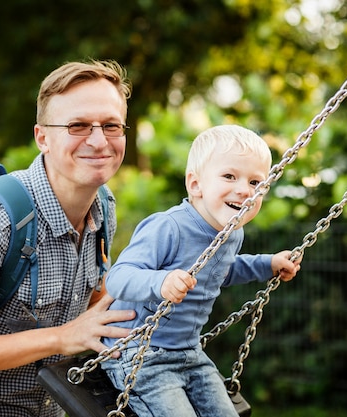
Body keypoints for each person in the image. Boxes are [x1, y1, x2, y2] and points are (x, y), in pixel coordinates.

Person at [0, 60, 136, 417]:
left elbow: (95, 296)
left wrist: (146, 293)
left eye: (111, 125)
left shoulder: (104, 204)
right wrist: (64, 337)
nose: (99, 141)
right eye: (78, 126)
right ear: (42, 137)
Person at [101, 124, 302, 417]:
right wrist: (161, 281)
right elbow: (118, 278)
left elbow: (223, 271)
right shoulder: (168, 227)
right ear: (195, 184)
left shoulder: (232, 233)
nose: (244, 190)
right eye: (229, 176)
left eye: (256, 183)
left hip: (189, 352)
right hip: (138, 354)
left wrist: (267, 264)